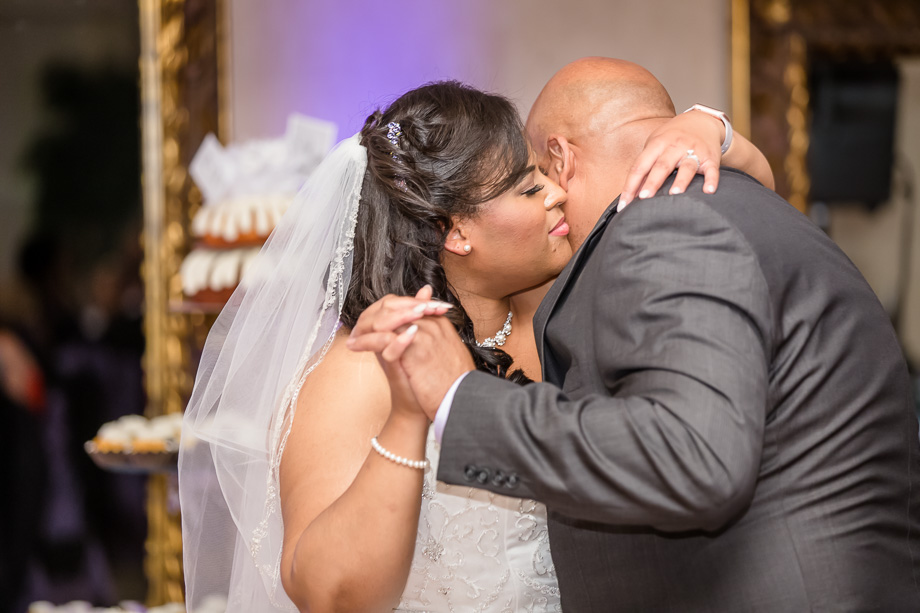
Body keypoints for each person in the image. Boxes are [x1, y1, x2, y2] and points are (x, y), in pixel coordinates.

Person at [179, 79, 775, 612]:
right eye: (525, 186)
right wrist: (410, 416)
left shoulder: (559, 311)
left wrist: (710, 128)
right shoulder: (365, 367)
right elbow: (329, 596)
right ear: (457, 232)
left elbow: (749, 223)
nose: (556, 192)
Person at [350, 58, 920, 611]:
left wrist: (459, 401)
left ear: (560, 157)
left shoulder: (667, 224)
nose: (548, 200)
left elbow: (693, 455)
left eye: (536, 178)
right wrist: (717, 129)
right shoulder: (733, 207)